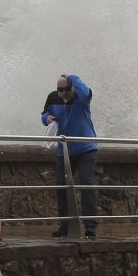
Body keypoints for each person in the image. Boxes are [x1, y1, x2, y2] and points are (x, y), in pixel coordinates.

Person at [42, 72, 98, 239]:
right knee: (62, 186)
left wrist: (73, 77)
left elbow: (87, 92)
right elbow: (44, 114)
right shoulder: (52, 98)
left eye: (67, 89)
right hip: (64, 150)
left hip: (86, 148)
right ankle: (65, 226)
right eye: (60, 90)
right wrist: (47, 118)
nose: (64, 93)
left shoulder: (81, 98)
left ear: (72, 87)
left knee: (86, 183)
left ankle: (90, 226)